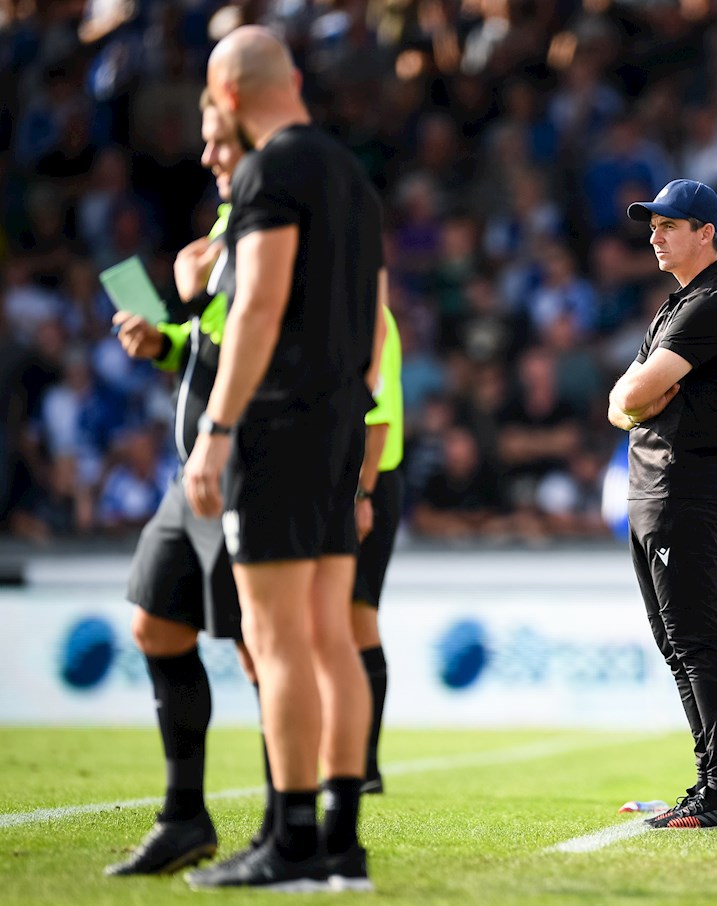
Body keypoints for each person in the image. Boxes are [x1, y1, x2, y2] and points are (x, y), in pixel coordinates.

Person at [182, 26, 383, 891]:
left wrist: (216, 429)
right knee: (332, 636)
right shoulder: (350, 174)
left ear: (227, 94)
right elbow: (375, 320)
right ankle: (340, 840)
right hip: (340, 422)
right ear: (291, 79)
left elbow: (257, 307)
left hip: (277, 428)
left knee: (276, 636)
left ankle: (291, 839)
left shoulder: (270, 171)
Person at [105, 92, 250, 878]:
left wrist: (204, 269)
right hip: (193, 470)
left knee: (265, 652)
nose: (206, 158)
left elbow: (247, 329)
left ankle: (293, 824)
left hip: (248, 465)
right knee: (156, 625)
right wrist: (163, 342)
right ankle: (185, 817)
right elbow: (210, 343)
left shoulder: (265, 227)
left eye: (218, 143)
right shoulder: (229, 230)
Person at [609, 178, 717, 830]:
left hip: (681, 487)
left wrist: (637, 398)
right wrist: (636, 400)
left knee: (695, 641)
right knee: (678, 647)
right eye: (652, 224)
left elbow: (635, 390)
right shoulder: (680, 305)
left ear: (707, 233)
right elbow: (622, 401)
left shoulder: (716, 303)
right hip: (651, 489)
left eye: (669, 224)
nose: (654, 234)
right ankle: (710, 785)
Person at [353, 302, 403, 795]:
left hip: (368, 482)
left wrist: (362, 493)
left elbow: (379, 415)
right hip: (346, 484)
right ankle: (354, 759)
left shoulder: (370, 315)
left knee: (357, 617)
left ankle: (364, 762)